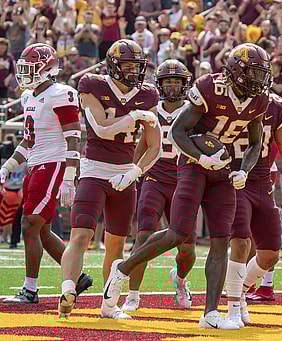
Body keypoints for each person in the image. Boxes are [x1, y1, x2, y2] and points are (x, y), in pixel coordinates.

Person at [101, 43, 272, 329]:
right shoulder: (209, 87)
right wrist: (200, 157)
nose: (258, 79)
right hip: (193, 164)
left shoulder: (258, 100)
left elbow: (256, 143)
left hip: (224, 169)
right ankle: (123, 270)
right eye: (253, 73)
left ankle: (210, 314)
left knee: (220, 240)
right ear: (237, 72)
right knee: (178, 233)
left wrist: (244, 170)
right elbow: (179, 131)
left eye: (260, 73)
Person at [59, 39, 161, 319]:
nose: (133, 71)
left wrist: (135, 172)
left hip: (124, 173)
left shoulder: (147, 95)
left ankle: (109, 305)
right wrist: (133, 118)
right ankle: (68, 289)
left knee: (116, 243)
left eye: (136, 66)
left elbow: (155, 145)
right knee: (80, 233)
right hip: (94, 169)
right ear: (114, 66)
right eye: (127, 65)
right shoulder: (93, 84)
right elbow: (101, 129)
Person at [1, 43, 92, 304]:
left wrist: (68, 177)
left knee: (30, 225)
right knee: (41, 230)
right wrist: (8, 166)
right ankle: (78, 277)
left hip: (53, 165)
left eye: (30, 68)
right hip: (36, 165)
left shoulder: (61, 93)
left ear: (46, 69)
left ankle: (30, 290)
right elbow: (28, 141)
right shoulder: (30, 97)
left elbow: (74, 138)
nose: (24, 74)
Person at [121, 59, 196, 312]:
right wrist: (131, 172)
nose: (173, 87)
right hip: (155, 176)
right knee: (143, 235)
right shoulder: (151, 111)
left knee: (186, 246)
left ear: (185, 85)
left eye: (177, 82)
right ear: (160, 85)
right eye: (168, 82)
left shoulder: (195, 110)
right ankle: (132, 295)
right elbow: (143, 145)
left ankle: (181, 280)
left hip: (186, 178)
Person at [225, 92, 282, 326]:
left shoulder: (275, 105)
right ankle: (233, 306)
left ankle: (242, 290)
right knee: (240, 243)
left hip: (262, 181)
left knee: (270, 254)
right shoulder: (222, 97)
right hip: (233, 178)